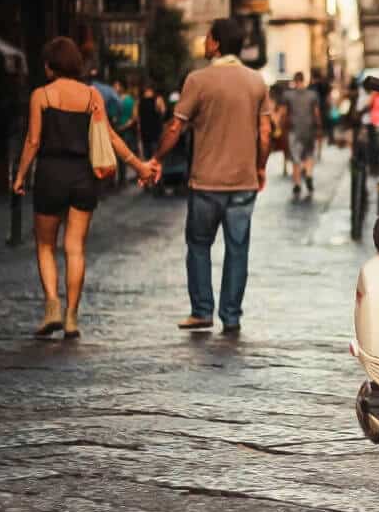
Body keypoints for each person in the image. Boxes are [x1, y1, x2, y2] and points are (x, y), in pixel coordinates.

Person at [12, 37, 157, 339]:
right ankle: (72, 318)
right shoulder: (92, 95)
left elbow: (33, 141)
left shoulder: (41, 95)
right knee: (75, 248)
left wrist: (20, 175)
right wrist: (139, 165)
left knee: (45, 246)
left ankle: (52, 303)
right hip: (83, 176)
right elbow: (111, 137)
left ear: (51, 65)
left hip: (51, 174)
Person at [150, 18, 272, 335]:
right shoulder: (256, 81)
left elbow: (176, 127)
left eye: (207, 39)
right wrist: (260, 168)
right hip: (243, 182)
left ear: (216, 43)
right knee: (237, 249)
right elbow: (266, 132)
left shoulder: (198, 80)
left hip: (206, 182)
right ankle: (230, 317)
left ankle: (202, 311)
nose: (204, 44)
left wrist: (156, 159)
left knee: (199, 245)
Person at [281, 71, 321, 197]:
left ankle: (297, 184)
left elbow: (283, 113)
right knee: (309, 154)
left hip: (294, 129)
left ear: (294, 80)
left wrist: (281, 127)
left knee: (295, 157)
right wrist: (319, 128)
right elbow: (316, 113)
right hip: (309, 129)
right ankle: (308, 175)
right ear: (303, 80)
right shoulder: (312, 94)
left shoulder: (288, 95)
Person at [112, 78, 139, 183]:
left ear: (122, 87)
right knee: (120, 156)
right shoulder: (116, 100)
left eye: (117, 86)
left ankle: (123, 178)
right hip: (119, 130)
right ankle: (121, 178)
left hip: (125, 131)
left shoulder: (128, 100)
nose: (115, 88)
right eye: (114, 86)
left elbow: (134, 117)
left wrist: (124, 126)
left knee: (124, 155)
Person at [138, 81, 167, 162]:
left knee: (147, 159)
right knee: (156, 158)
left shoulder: (140, 101)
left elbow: (137, 118)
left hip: (145, 133)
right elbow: (163, 112)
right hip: (155, 133)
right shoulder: (158, 99)